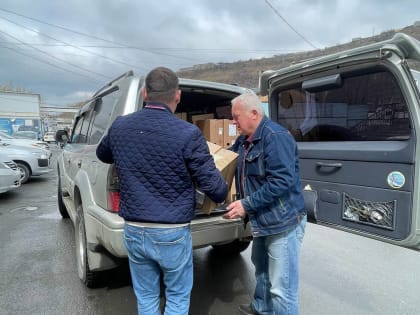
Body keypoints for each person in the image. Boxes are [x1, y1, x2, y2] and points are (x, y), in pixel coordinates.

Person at [96, 67, 227, 315]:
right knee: (177, 297)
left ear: (145, 93)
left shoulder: (120, 126)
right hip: (172, 232)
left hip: (134, 228)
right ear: (177, 96)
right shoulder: (188, 134)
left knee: (146, 296)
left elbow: (103, 154)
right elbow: (216, 190)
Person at [223, 93, 307, 315]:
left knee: (281, 288)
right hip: (262, 218)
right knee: (261, 271)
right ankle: (261, 308)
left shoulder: (275, 137)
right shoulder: (244, 140)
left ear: (254, 113)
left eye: (236, 117)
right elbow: (225, 159)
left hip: (283, 221)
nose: (233, 122)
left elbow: (282, 181)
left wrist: (246, 204)